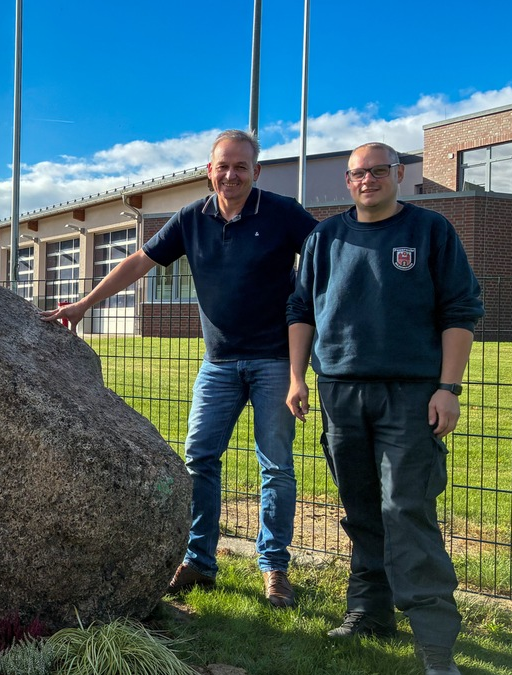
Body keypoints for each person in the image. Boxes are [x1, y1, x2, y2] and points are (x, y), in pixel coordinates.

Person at [42, 130, 316, 608]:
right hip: (219, 364)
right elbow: (137, 263)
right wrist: (85, 304)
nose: (230, 175)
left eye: (241, 167)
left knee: (275, 467)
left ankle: (273, 567)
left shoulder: (283, 213)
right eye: (222, 166)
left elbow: (328, 259)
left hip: (274, 360)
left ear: (257, 171)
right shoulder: (193, 218)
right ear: (209, 170)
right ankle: (199, 560)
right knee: (199, 458)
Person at [286, 143, 482, 675]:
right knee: (362, 507)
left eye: (377, 171)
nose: (367, 180)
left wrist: (449, 387)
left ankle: (435, 642)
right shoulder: (324, 238)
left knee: (406, 509)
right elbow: (301, 309)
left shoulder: (431, 232)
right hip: (340, 393)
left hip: (412, 393)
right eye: (357, 174)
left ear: (397, 173)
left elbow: (460, 308)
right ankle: (369, 611)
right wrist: (297, 377)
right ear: (347, 182)